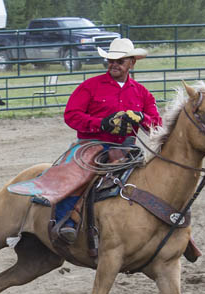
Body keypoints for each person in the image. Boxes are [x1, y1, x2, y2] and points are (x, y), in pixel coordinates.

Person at [55, 37, 162, 242]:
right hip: (92, 145)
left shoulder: (142, 94)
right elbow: (71, 115)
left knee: (158, 179)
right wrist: (101, 124)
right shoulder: (90, 87)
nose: (114, 64)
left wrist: (142, 118)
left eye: (120, 61)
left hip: (127, 148)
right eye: (111, 60)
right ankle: (66, 220)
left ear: (132, 63)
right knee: (77, 176)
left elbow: (157, 126)